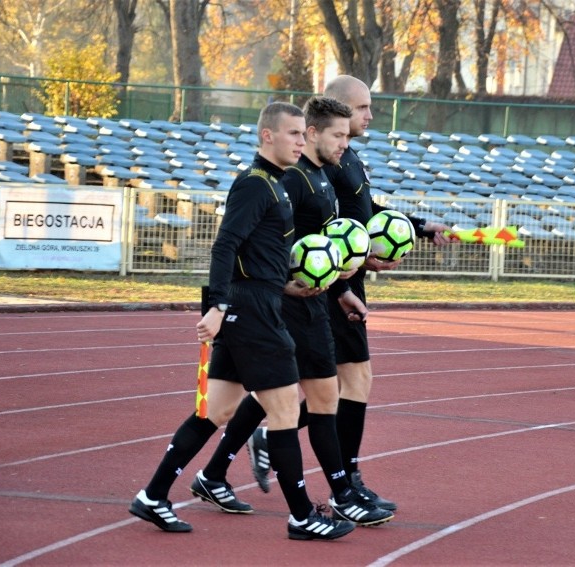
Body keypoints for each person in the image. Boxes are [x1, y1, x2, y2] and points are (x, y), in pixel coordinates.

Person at [128, 101, 355, 541]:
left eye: (302, 134)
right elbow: (225, 245)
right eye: (293, 134)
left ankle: (153, 496)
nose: (301, 141)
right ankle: (302, 516)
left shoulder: (277, 185)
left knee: (218, 410)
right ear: (267, 136)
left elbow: (261, 254)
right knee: (286, 408)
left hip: (257, 302)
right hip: (250, 312)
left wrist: (288, 286)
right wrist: (215, 306)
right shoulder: (254, 185)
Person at [248, 76, 451, 511]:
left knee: (322, 385)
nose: (369, 116)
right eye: (361, 109)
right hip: (326, 282)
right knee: (339, 382)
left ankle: (265, 447)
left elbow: (364, 211)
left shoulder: (347, 157)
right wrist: (340, 280)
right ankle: (345, 480)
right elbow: (316, 226)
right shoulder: (321, 163)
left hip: (343, 280)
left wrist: (415, 226)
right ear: (330, 114)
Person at [192, 96, 393, 527]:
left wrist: (341, 284)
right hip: (286, 306)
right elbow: (258, 243)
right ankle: (337, 494)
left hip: (313, 300)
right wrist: (227, 300)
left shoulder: (324, 175)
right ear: (313, 133)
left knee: (283, 399)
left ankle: (213, 473)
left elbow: (317, 245)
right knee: (294, 399)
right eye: (336, 134)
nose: (344, 141)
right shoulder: (292, 179)